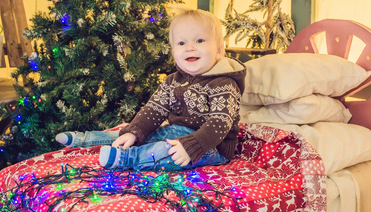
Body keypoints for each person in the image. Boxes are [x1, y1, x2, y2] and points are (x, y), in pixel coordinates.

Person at [55, 9, 246, 170]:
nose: (189, 48)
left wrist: (191, 146)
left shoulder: (224, 83)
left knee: (168, 152)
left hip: (211, 147)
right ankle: (87, 140)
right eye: (181, 43)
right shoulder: (174, 81)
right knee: (137, 133)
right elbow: (154, 109)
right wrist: (135, 131)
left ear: (219, 50)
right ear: (174, 52)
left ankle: (127, 159)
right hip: (177, 131)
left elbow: (219, 123)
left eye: (199, 41)